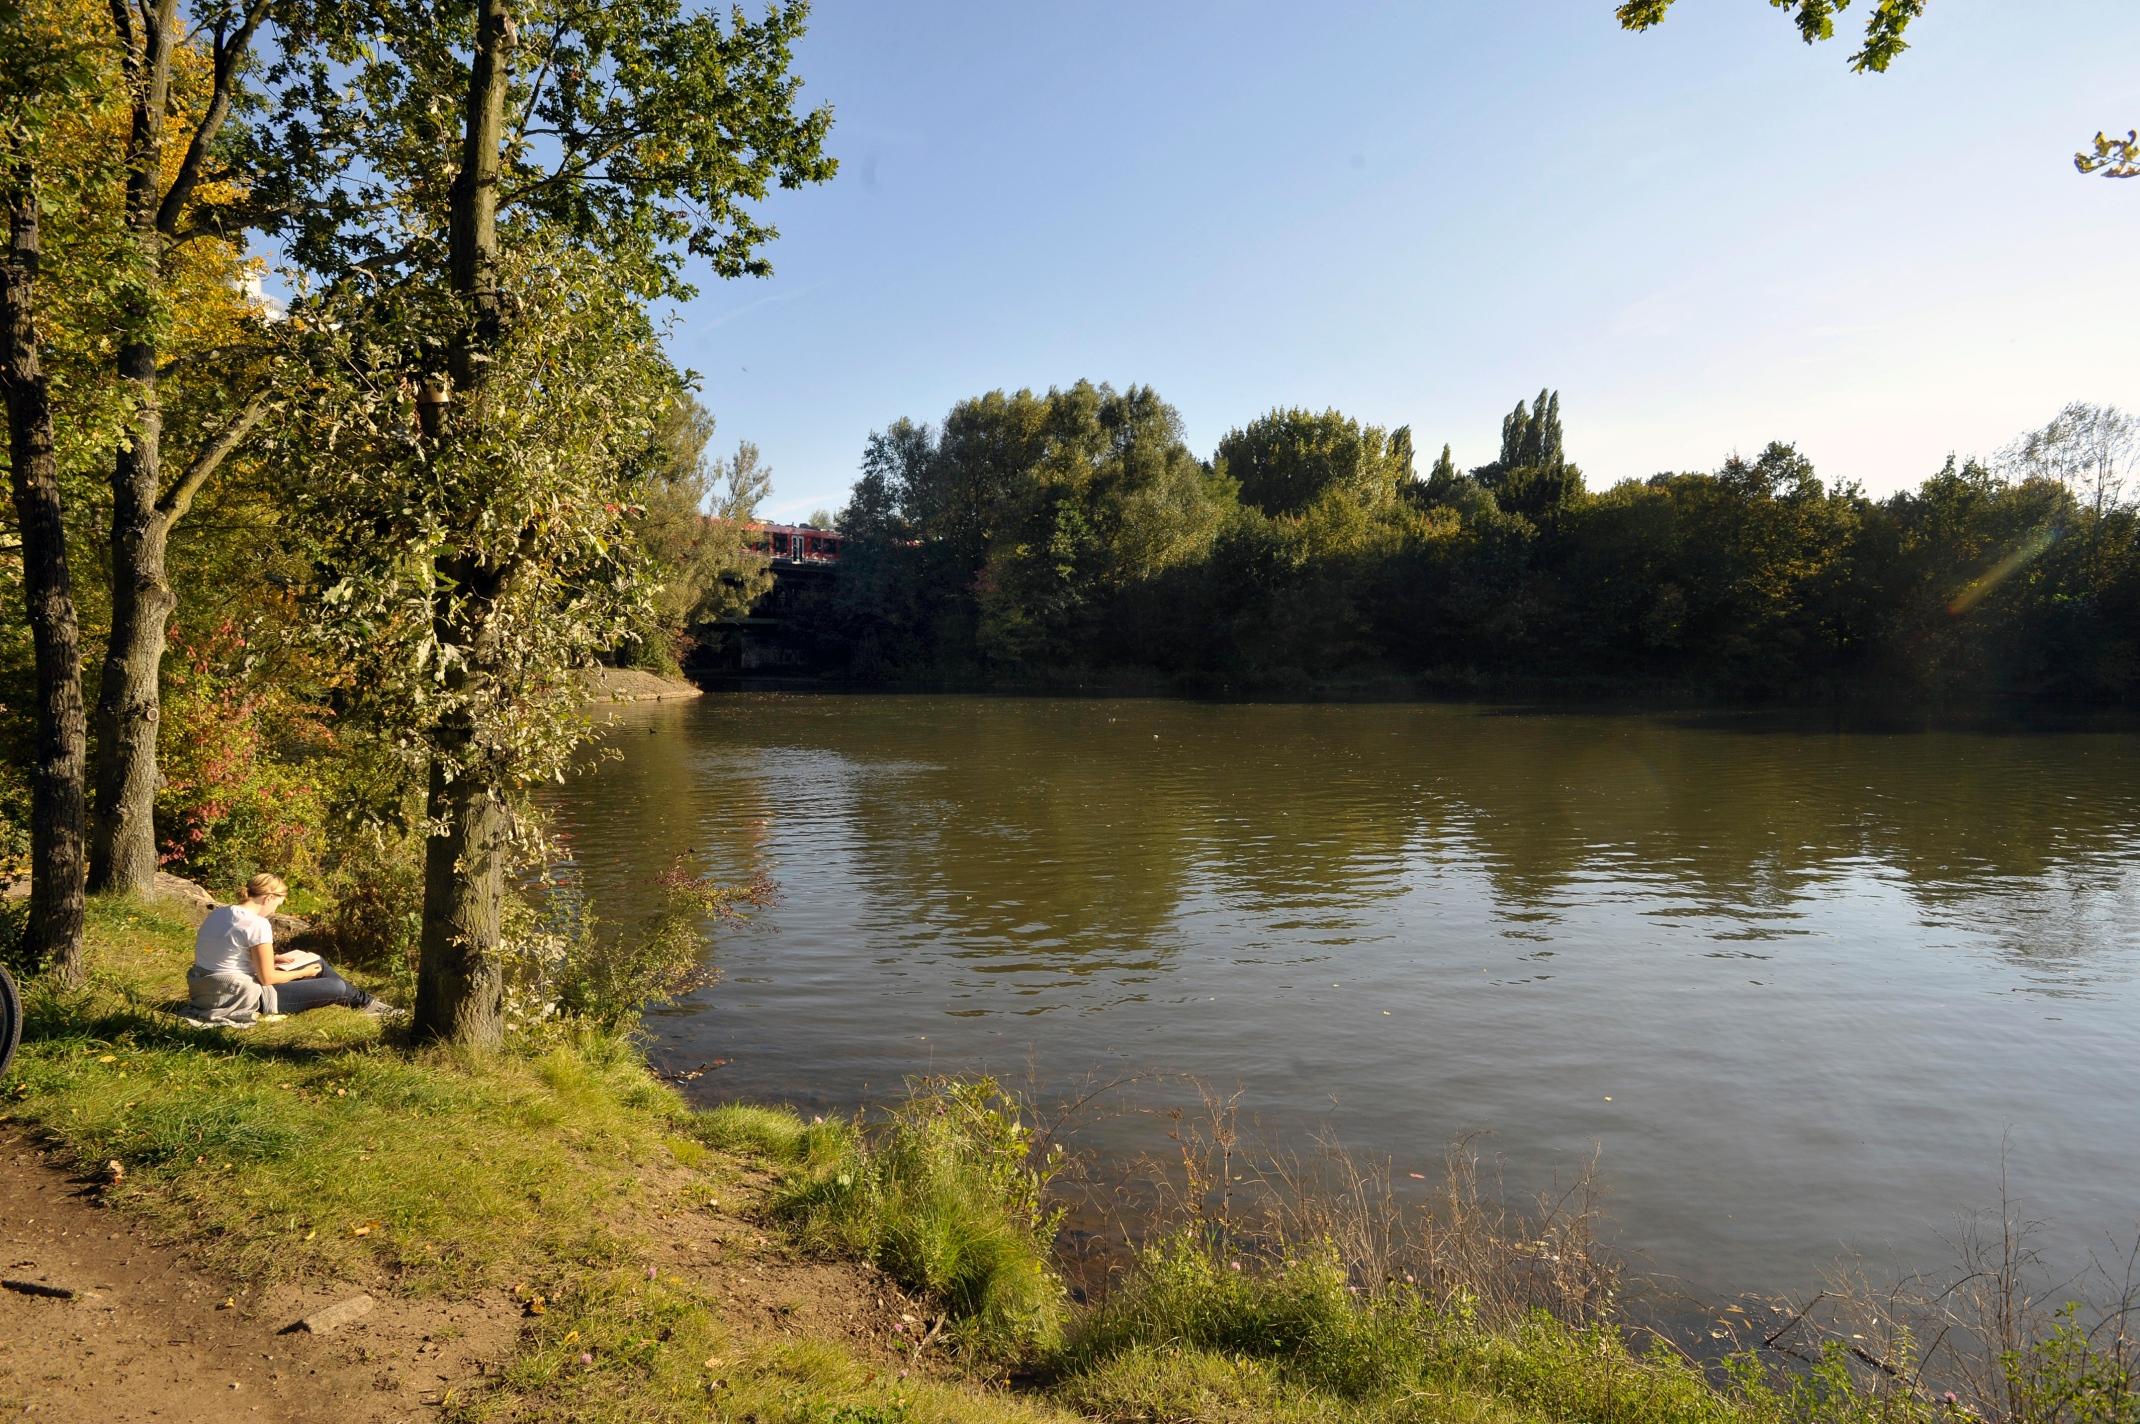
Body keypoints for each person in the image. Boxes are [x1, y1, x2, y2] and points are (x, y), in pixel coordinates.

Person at [186, 872, 394, 1024]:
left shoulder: (222, 912)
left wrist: (273, 958)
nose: (275, 909)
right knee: (336, 987)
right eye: (278, 904)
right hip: (240, 995)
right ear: (268, 898)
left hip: (208, 988)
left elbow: (227, 951)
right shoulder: (257, 924)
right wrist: (302, 973)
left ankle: (364, 1002)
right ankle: (367, 1004)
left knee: (316, 960)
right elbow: (267, 979)